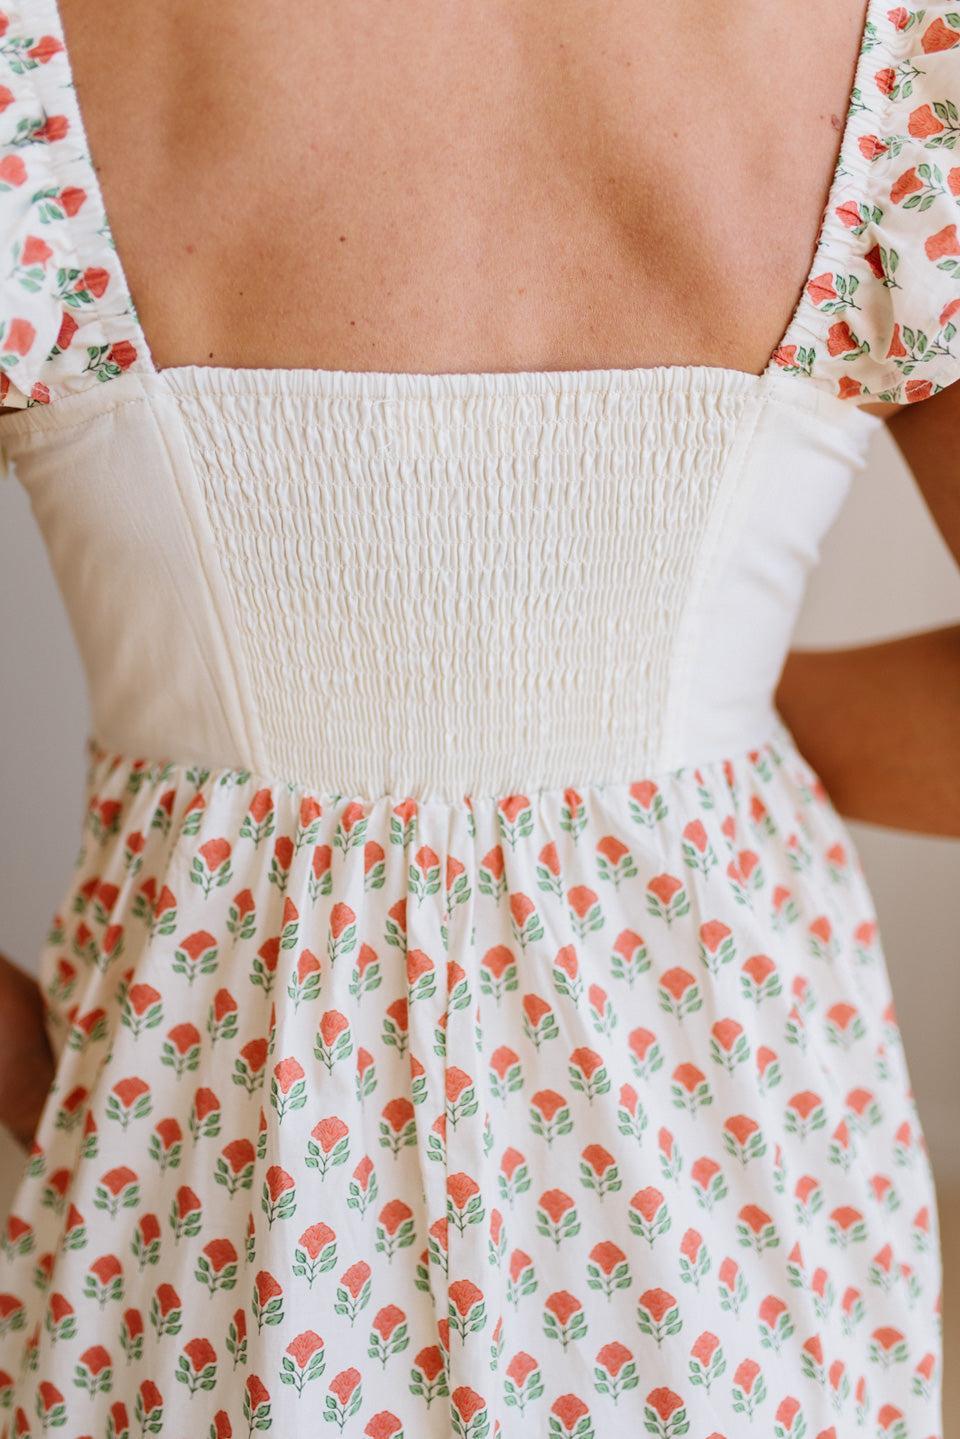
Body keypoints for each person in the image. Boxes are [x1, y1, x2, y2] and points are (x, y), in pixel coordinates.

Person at [0, 2, 957, 1435]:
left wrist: (80, 1098)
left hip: (213, 1215)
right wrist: (683, 724)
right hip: (737, 1204)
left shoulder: (32, 63)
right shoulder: (897, 59)